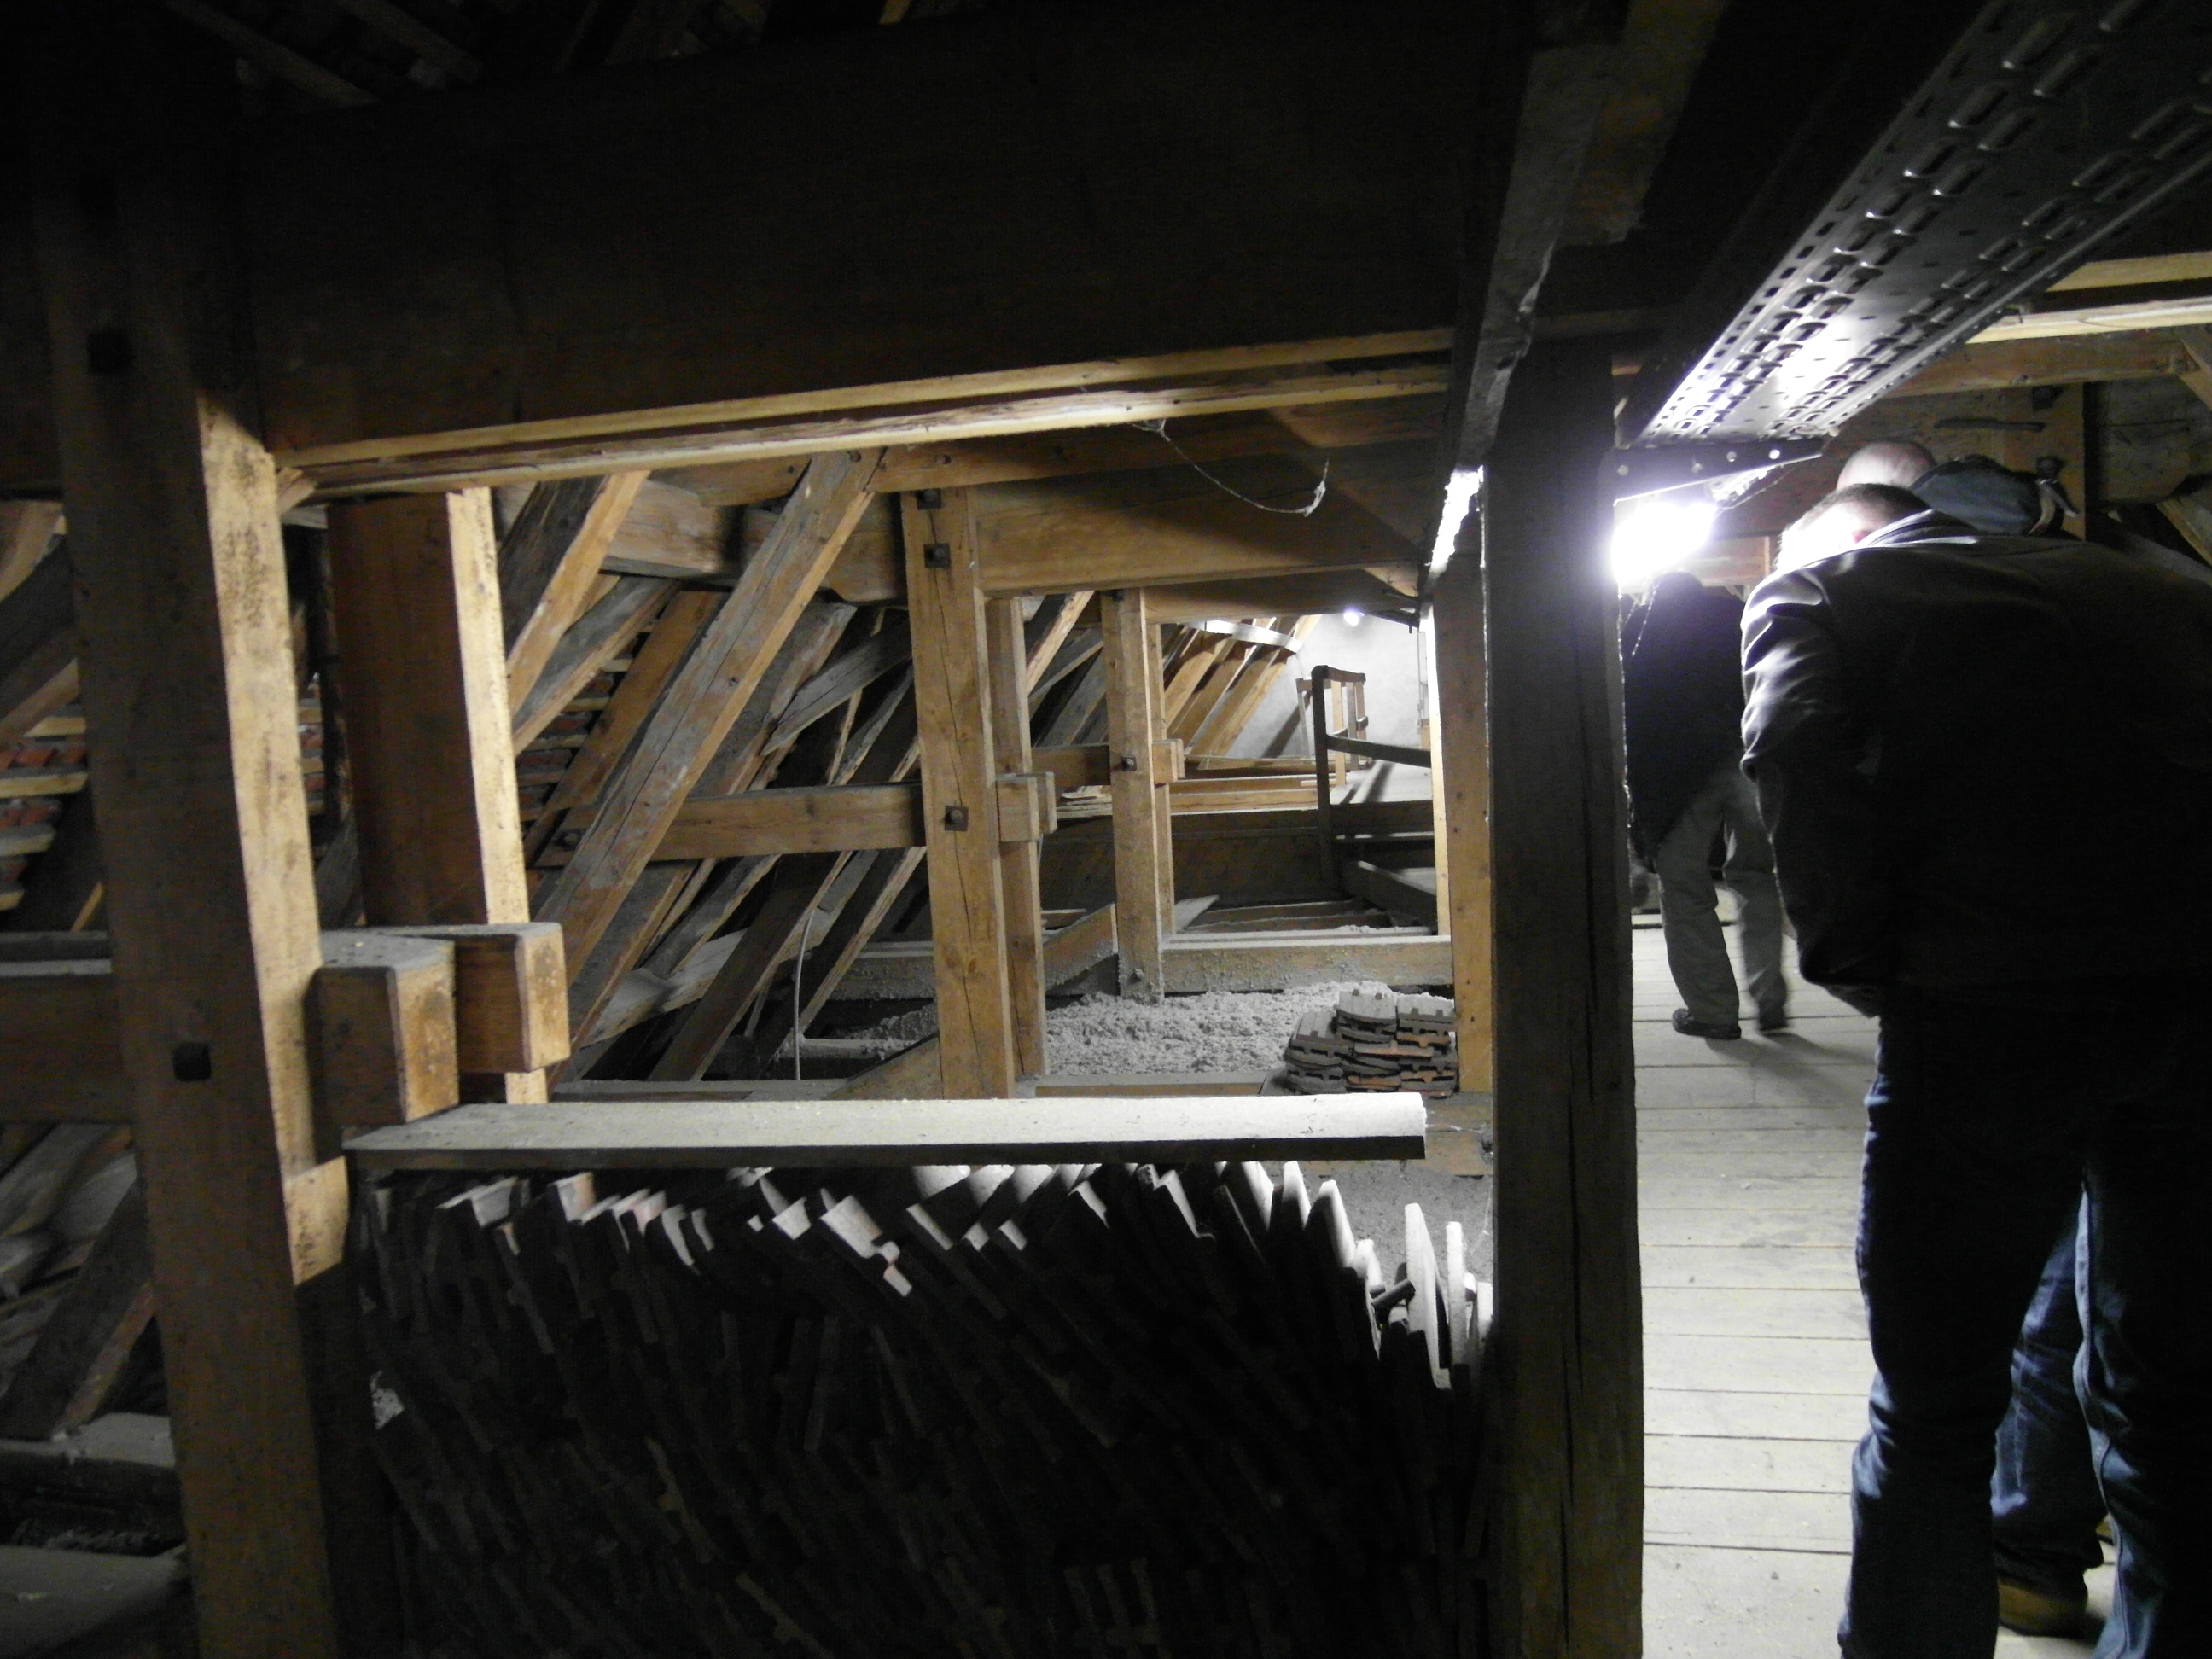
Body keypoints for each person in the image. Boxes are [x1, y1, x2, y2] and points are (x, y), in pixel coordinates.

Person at [1742, 482, 2212, 1657]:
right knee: (2174, 1399)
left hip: (1988, 1005)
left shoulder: (1821, 589)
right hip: (2198, 1003)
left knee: (1935, 1410)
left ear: (1850, 533)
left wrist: (1860, 957)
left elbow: (1789, 744)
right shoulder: (2164, 587)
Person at [1621, 568, 1786, 1039]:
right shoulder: (1739, 616)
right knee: (1756, 878)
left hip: (1679, 777)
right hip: (1750, 760)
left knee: (1685, 889)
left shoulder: (1644, 627)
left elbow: (1636, 713)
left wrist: (1641, 814)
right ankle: (1769, 998)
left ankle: (1714, 1011)